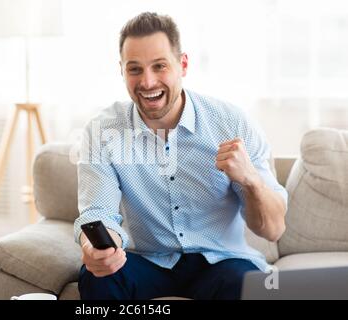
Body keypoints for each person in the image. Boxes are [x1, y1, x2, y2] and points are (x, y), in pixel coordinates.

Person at [73, 12, 287, 300]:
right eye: (135, 69)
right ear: (122, 71)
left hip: (221, 263)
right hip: (150, 261)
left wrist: (251, 181)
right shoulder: (103, 131)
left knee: (245, 282)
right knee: (97, 276)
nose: (147, 82)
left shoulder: (231, 123)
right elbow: (99, 213)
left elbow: (273, 230)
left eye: (159, 66)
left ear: (182, 65)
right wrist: (97, 248)